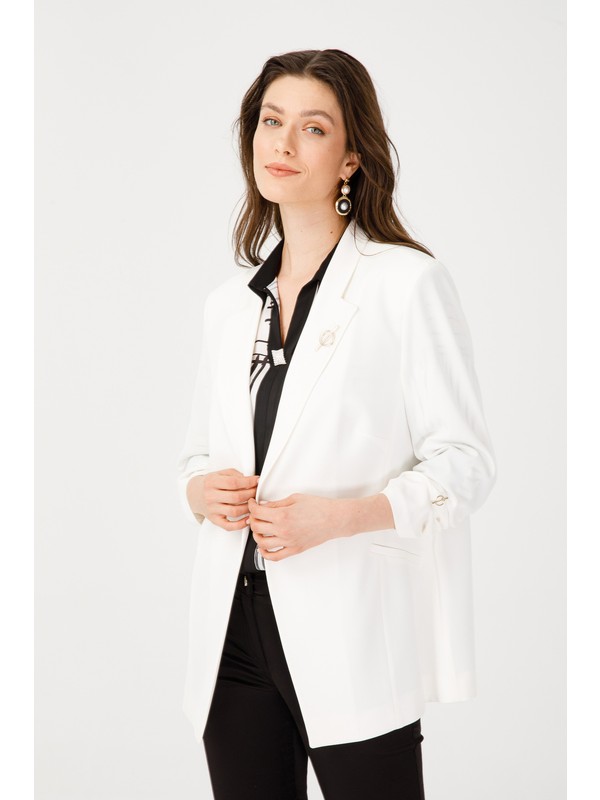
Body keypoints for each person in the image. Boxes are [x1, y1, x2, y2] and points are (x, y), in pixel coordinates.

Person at [177, 48, 496, 800]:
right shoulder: (230, 306)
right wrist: (199, 492)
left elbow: (465, 461)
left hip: (350, 622)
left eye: (313, 128)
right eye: (271, 121)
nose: (284, 143)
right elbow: (197, 454)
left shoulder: (406, 283)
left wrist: (343, 517)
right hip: (232, 633)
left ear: (352, 158)